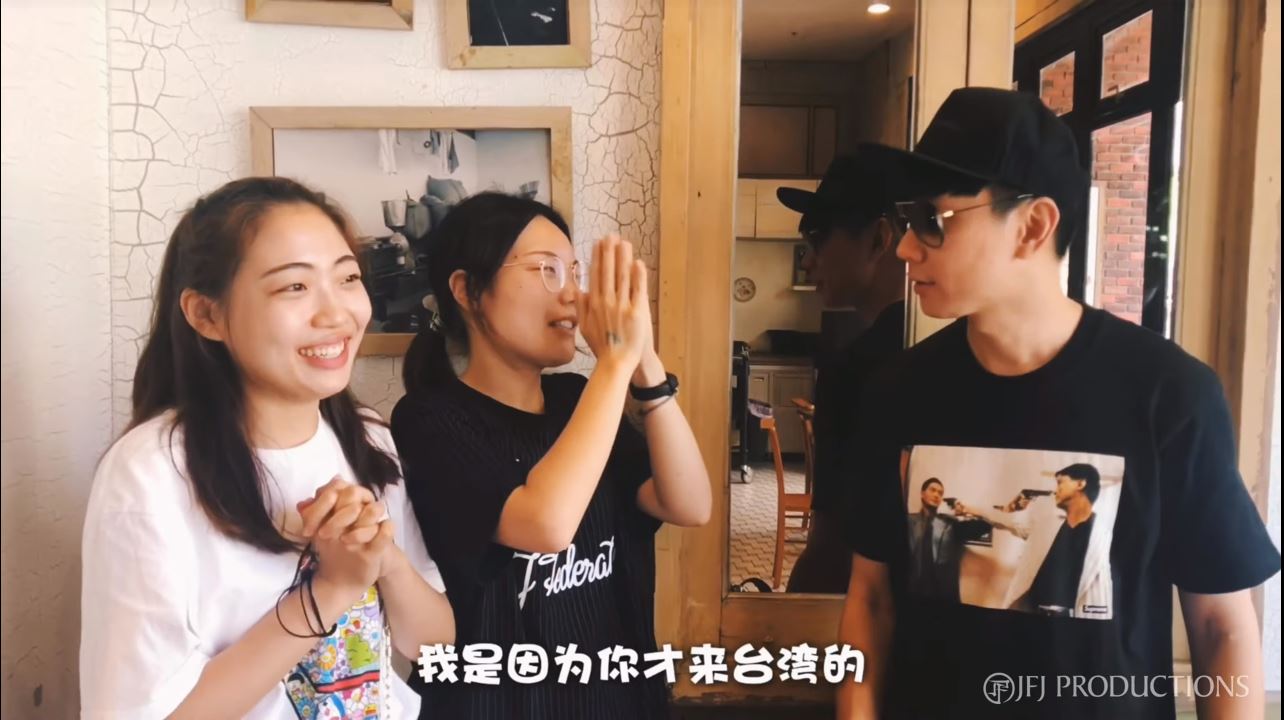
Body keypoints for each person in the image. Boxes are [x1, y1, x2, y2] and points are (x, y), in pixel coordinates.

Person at [836, 88, 1281, 719]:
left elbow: (1222, 627)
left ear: (1033, 226)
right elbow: (871, 600)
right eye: (907, 221)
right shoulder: (898, 393)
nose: (907, 247)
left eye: (934, 219)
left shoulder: (1168, 394)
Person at [79, 177, 455, 719]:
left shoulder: (367, 438)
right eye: (294, 287)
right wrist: (329, 590)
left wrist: (383, 558)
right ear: (206, 315)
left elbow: (434, 647)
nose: (336, 314)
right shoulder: (151, 473)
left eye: (347, 278)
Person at [390, 192, 711, 719]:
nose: (572, 295)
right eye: (547, 270)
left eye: (574, 273)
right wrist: (614, 364)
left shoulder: (577, 400)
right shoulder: (429, 419)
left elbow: (690, 504)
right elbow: (544, 525)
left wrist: (645, 364)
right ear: (467, 290)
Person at [774, 151, 906, 593]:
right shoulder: (953, 346)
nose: (808, 262)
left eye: (818, 239)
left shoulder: (854, 370)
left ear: (879, 239)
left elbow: (830, 549)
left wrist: (788, 617)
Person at [957, 463, 1110, 617]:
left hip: (1066, 621)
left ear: (1080, 484)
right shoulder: (1047, 523)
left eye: (1060, 482)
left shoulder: (1102, 536)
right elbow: (1007, 520)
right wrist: (974, 510)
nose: (1056, 490)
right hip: (1030, 610)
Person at [906, 477, 990, 603]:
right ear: (922, 494)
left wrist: (966, 510)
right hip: (913, 595)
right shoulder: (908, 522)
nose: (936, 495)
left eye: (940, 493)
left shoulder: (950, 525)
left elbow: (985, 525)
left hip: (944, 598)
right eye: (932, 490)